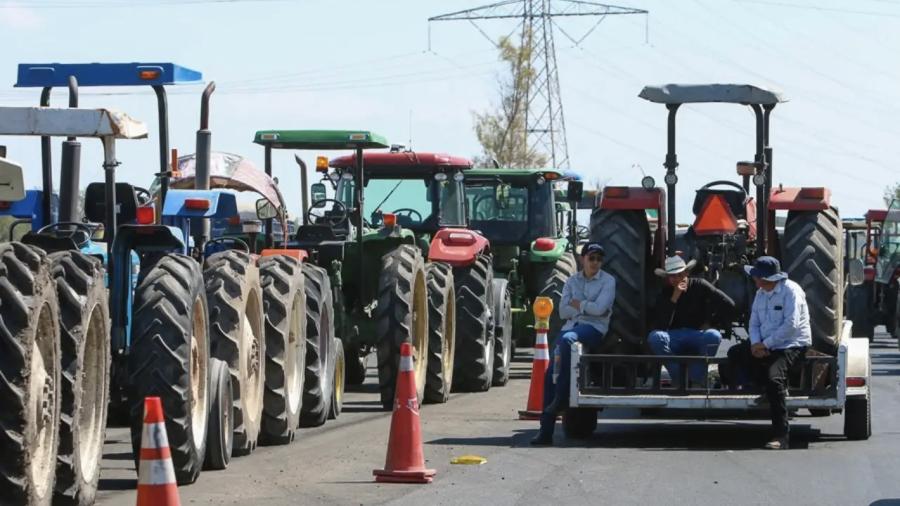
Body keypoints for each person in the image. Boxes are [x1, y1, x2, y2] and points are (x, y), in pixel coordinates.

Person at [531, 242, 616, 446]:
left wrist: (579, 305)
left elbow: (601, 310)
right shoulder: (571, 281)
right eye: (591, 258)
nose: (595, 262)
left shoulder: (608, 281)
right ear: (582, 259)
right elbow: (562, 311)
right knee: (550, 374)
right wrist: (589, 307)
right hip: (570, 327)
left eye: (599, 259)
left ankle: (561, 398)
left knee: (568, 340)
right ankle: (545, 431)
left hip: (594, 330)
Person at [726, 256, 811, 450]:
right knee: (735, 354)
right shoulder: (761, 293)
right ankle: (760, 386)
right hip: (764, 343)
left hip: (790, 345)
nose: (755, 280)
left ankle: (781, 435)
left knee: (775, 380)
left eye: (758, 277)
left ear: (769, 279)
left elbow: (791, 326)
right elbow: (754, 322)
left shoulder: (791, 291)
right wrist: (755, 343)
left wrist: (766, 345)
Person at [647, 255, 735, 387]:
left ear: (686, 273)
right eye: (672, 276)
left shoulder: (700, 285)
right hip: (674, 336)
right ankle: (680, 378)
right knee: (654, 337)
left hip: (697, 334)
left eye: (679, 275)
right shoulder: (665, 293)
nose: (676, 279)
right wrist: (674, 297)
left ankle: (696, 379)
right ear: (668, 278)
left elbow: (728, 304)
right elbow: (660, 324)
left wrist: (712, 322)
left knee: (713, 335)